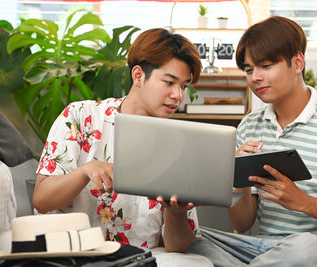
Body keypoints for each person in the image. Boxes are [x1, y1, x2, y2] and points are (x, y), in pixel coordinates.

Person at [188, 16, 317, 267]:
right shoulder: (250, 126)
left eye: (266, 66)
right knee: (194, 241)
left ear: (298, 62)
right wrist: (240, 178)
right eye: (249, 70)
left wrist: (304, 203)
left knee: (305, 246)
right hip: (264, 249)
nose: (255, 77)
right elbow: (241, 224)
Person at [33, 28, 203, 253]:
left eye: (184, 86)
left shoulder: (177, 146)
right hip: (71, 254)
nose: (178, 95)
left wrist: (177, 212)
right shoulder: (80, 116)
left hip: (138, 259)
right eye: (169, 83)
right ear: (139, 75)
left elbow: (178, 247)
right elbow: (41, 200)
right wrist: (85, 171)